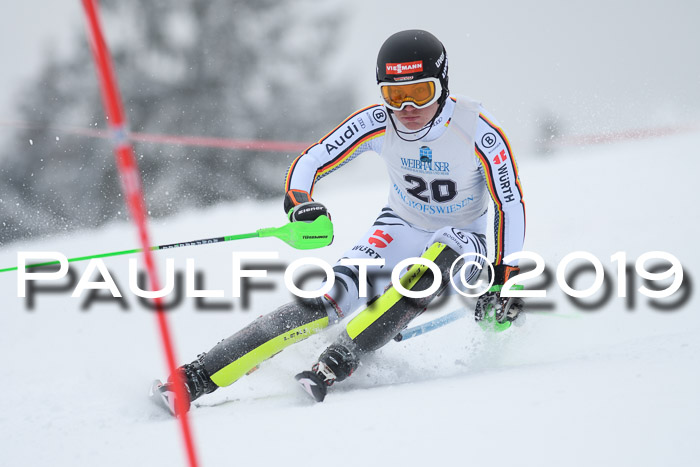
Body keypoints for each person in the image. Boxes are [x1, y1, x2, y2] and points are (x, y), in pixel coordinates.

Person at [153, 29, 526, 410]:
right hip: (400, 225)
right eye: (395, 95)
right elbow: (312, 158)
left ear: (443, 86)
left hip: (463, 234)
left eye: (421, 93)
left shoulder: (479, 130)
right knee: (326, 300)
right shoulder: (379, 122)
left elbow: (507, 203)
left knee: (427, 270)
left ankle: (340, 357)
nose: (407, 108)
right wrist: (300, 202)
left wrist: (505, 275)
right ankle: (198, 376)